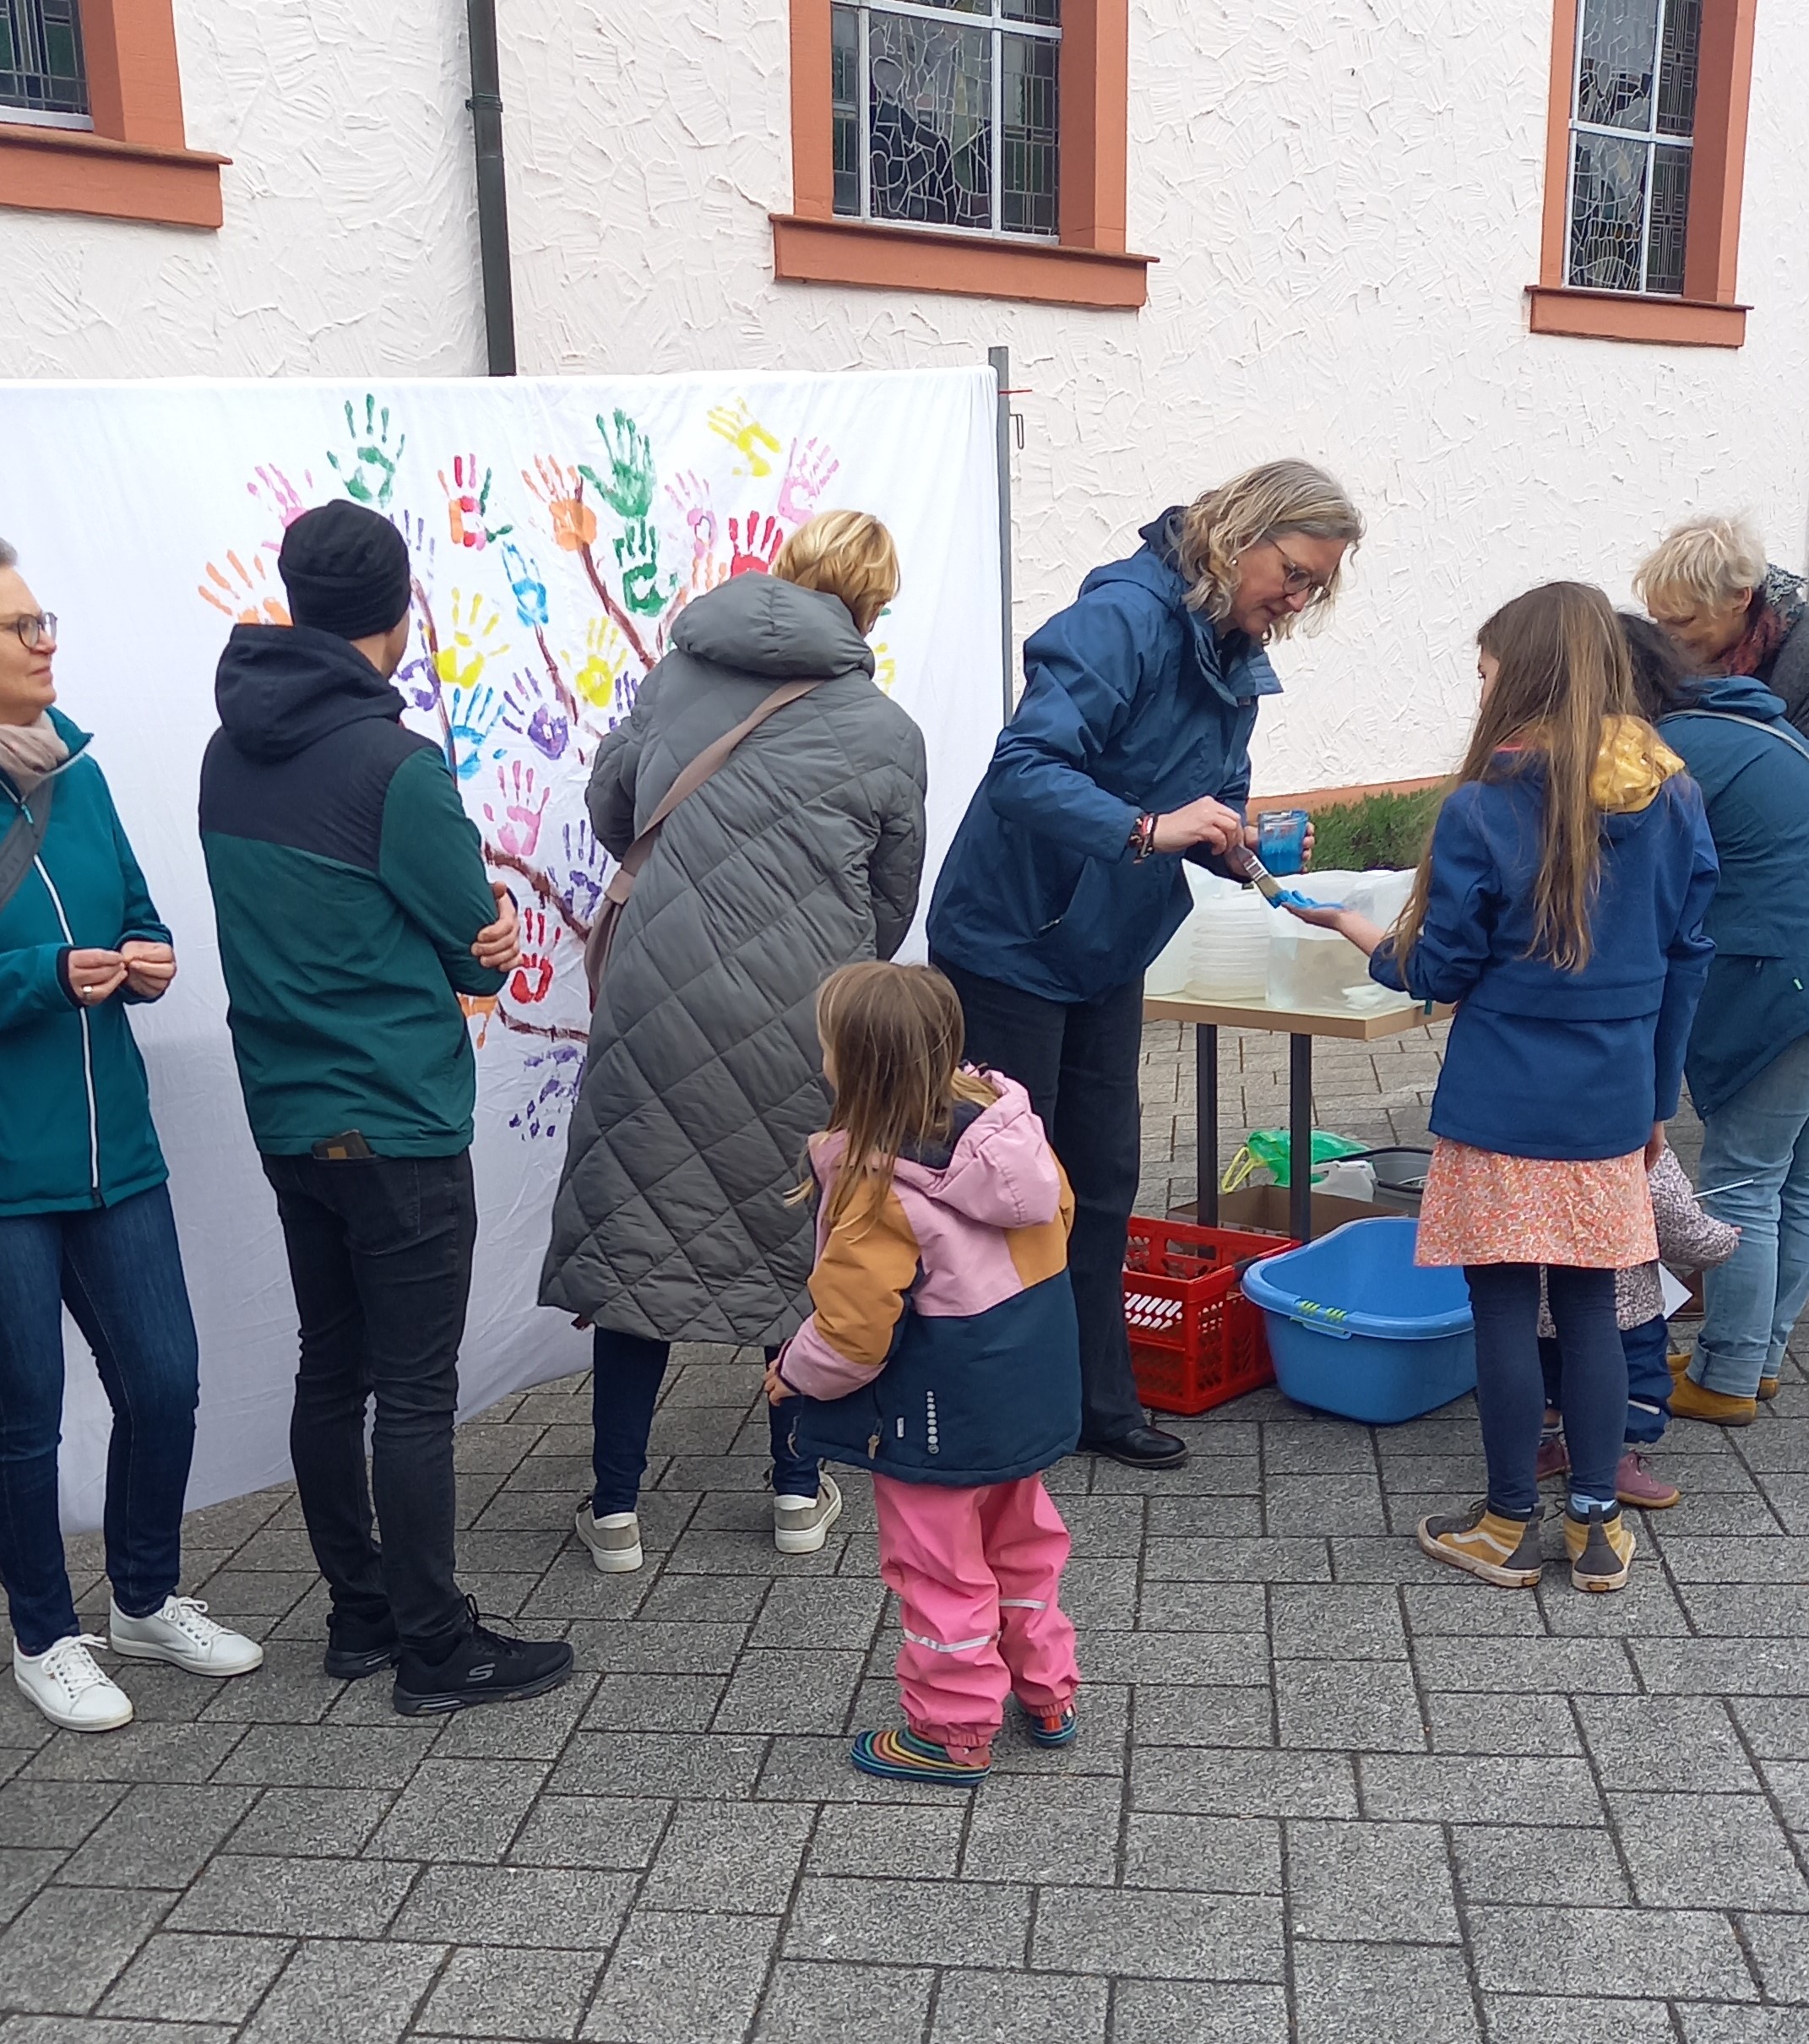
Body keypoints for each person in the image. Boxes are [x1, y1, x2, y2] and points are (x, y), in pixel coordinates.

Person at [199, 499, 573, 1716]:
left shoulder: (226, 750)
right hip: (397, 1120)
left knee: (330, 1367)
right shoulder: (397, 767)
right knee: (412, 1389)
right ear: (399, 615)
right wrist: (499, 937)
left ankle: (359, 1617)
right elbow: (475, 955)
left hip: (289, 1114)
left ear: (294, 599)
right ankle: (433, 1646)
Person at [926, 460, 1363, 1469]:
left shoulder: (1234, 644)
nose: (1295, 601)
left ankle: (1096, 1398)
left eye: (1315, 588)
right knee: (1009, 1183)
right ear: (1241, 534)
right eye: (1292, 574)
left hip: (1105, 940)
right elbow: (1025, 768)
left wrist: (1233, 834)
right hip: (1014, 936)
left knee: (1104, 1176)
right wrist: (1150, 826)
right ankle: (999, 1404)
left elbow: (1207, 785)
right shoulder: (1121, 615)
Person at [1291, 583, 1717, 1594]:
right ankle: (1598, 1528)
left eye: (1485, 673)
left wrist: (1367, 937)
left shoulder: (1482, 807)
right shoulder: (1677, 795)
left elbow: (1441, 969)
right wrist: (1657, 1100)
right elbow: (1687, 954)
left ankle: (1505, 1522)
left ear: (1522, 679)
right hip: (1614, 1102)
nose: (1478, 690)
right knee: (1592, 1307)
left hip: (1499, 1107)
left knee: (1500, 1306)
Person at [541, 512, 927, 1572]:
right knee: (798, 1244)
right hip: (805, 1019)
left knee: (640, 1244)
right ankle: (798, 1491)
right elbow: (890, 906)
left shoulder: (678, 676)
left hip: (655, 1003)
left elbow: (615, 804)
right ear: (869, 607)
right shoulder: (884, 728)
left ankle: (614, 1511)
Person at [0, 536, 262, 1731]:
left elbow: (141, 910)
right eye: (21, 627)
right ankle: (43, 1634)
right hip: (10, 1177)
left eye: (44, 617)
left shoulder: (79, 771)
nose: (47, 639)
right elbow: (39, 962)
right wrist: (49, 974)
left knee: (165, 1383)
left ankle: (144, 1599)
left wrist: (148, 960)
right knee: (25, 1417)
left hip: (120, 1157)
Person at [769, 961, 1082, 1783]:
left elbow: (852, 1330)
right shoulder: (1012, 1137)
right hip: (1024, 1390)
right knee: (1025, 1543)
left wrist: (794, 1374)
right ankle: (1048, 1691)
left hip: (936, 1414)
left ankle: (951, 1730)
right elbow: (1059, 1221)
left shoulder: (880, 1184)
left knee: (940, 1571)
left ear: (856, 1065)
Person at [1627, 561, 1809, 1422]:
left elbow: (1632, 878)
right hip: (1798, 970)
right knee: (1795, 1182)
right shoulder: (1757, 730)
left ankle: (1729, 1374)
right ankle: (1758, 1356)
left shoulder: (1675, 750)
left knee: (1741, 1179)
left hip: (1778, 981)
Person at [1535, 1144, 1738, 1508]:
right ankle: (1609, 1462)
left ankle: (1538, 1449)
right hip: (1622, 1306)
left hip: (1533, 1301)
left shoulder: (1518, 1124)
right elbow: (1675, 1221)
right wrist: (1721, 1240)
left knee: (1545, 1377)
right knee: (1632, 1382)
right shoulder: (1631, 1128)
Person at [1634, 515, 1809, 737]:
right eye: (1657, 620)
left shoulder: (1801, 663)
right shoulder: (1679, 659)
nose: (1666, 636)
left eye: (1682, 621)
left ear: (1739, 598)